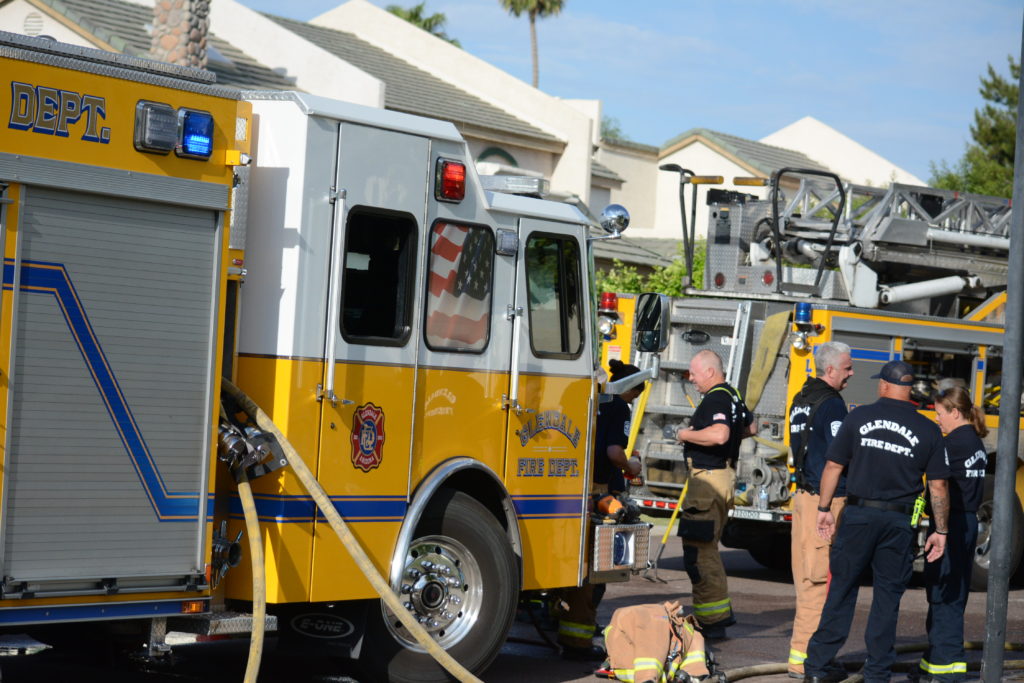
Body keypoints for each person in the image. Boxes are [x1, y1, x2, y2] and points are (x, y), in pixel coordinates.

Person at [803, 360, 951, 683]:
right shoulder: (928, 429)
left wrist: (824, 508)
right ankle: (877, 672)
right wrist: (940, 530)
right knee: (887, 597)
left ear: (884, 384)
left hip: (858, 516)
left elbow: (833, 466)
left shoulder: (858, 417)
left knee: (841, 589)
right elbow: (938, 486)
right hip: (899, 523)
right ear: (909, 389)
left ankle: (817, 666)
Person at [557, 359, 644, 661]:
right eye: (635, 395)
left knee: (567, 560)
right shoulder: (618, 406)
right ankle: (577, 640)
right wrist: (631, 466)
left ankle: (559, 619)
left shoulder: (581, 396)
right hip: (596, 492)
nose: (633, 400)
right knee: (594, 568)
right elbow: (614, 452)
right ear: (631, 390)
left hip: (565, 487)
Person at [675, 349, 754, 640]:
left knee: (699, 551)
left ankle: (711, 621)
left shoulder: (716, 398)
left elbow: (720, 434)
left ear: (710, 372)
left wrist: (685, 434)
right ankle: (716, 616)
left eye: (694, 373)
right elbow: (751, 427)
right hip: (722, 477)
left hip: (708, 481)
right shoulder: (732, 395)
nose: (691, 378)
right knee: (707, 548)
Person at [787, 341, 854, 679]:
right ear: (830, 370)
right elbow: (838, 457)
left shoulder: (801, 399)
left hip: (803, 498)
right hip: (823, 501)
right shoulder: (832, 405)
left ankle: (803, 655)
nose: (851, 373)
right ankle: (806, 660)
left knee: (805, 579)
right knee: (817, 582)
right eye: (847, 368)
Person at [917, 384, 988, 682]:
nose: (937, 419)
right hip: (968, 521)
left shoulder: (951, 445)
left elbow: (939, 486)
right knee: (954, 592)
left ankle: (947, 667)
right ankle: (933, 662)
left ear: (955, 412)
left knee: (943, 593)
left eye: (940, 413)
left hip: (951, 524)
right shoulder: (975, 443)